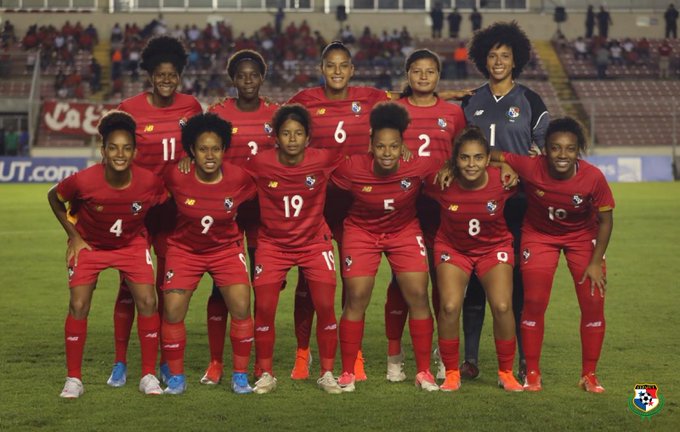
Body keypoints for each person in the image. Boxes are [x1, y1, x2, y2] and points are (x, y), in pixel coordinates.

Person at [288, 41, 469, 381]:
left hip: (389, 198)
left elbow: (413, 91)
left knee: (406, 282)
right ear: (322, 69)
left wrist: (450, 93)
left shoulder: (372, 97)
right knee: (315, 282)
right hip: (328, 199)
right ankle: (305, 353)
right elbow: (282, 125)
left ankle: (366, 358)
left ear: (353, 70)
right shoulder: (303, 99)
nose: (337, 72)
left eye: (344, 66)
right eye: (331, 65)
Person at [47, 111, 166, 398]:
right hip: (91, 245)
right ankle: (74, 379)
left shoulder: (149, 182)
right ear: (103, 151)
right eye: (113, 147)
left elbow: (166, 203)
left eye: (126, 148)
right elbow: (53, 196)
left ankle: (148, 375)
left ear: (135, 151)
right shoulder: (84, 180)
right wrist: (73, 237)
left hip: (131, 245)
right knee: (78, 305)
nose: (120, 154)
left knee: (149, 301)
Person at [492, 117, 615, 393]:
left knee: (593, 304)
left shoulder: (593, 177)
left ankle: (589, 375)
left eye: (570, 149)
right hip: (539, 236)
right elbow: (492, 153)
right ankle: (533, 373)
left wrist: (596, 262)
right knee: (534, 301)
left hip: (582, 238)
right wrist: (506, 162)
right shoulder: (531, 165)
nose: (562, 155)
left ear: (578, 150)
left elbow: (606, 221)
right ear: (545, 148)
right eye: (556, 148)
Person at [109, 35, 202, 388]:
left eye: (172, 74)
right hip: (138, 210)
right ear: (150, 75)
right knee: (127, 288)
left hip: (174, 211)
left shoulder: (191, 106)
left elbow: (201, 148)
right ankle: (120, 362)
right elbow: (118, 155)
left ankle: (165, 359)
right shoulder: (129, 108)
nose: (166, 79)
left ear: (179, 75)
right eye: (160, 74)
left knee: (166, 287)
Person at [459, 21, 549, 382]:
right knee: (475, 285)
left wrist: (514, 162)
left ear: (516, 61)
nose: (498, 61)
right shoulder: (470, 100)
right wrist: (503, 159)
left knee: (516, 288)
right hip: (474, 204)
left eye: (505, 56)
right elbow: (459, 149)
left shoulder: (531, 100)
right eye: (492, 56)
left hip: (518, 206)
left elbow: (540, 153)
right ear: (483, 60)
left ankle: (525, 361)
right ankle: (469, 359)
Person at [334, 102, 439, 392]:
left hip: (404, 231)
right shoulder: (352, 166)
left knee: (418, 294)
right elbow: (319, 175)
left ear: (403, 145)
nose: (388, 153)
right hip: (361, 232)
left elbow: (452, 167)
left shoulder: (417, 164)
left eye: (394, 146)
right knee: (356, 296)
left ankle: (424, 372)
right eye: (381, 147)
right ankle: (347, 372)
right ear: (371, 145)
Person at [244, 104, 343, 395]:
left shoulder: (323, 159)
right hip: (273, 245)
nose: (292, 139)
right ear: (276, 136)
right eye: (286, 133)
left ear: (308, 137)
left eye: (298, 133)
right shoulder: (259, 163)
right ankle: (265, 373)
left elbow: (358, 159)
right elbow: (230, 175)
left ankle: (326, 372)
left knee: (325, 306)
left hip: (314, 242)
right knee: (263, 308)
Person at [382, 49, 466, 382]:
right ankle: (394, 355)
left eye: (430, 71)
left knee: (442, 280)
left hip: (444, 208)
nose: (423, 76)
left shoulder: (453, 113)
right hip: (405, 206)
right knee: (401, 283)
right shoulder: (396, 111)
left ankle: (442, 354)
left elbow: (463, 154)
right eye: (416, 71)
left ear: (438, 76)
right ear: (407, 74)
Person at [160, 113, 256, 395]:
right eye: (203, 149)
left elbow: (261, 200)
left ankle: (240, 377)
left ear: (225, 150)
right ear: (191, 150)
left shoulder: (240, 178)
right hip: (185, 249)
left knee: (241, 306)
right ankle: (176, 378)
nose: (210, 155)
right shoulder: (177, 174)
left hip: (226, 249)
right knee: (173, 310)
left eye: (216, 148)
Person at [198, 49, 278, 386]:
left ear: (262, 78)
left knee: (261, 289)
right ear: (233, 80)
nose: (247, 80)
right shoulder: (218, 113)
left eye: (253, 75)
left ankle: (261, 364)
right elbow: (199, 145)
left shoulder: (276, 114)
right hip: (225, 210)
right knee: (221, 288)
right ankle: (216, 363)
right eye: (241, 75)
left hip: (263, 210)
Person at [424, 125, 523, 392]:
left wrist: (507, 164)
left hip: (494, 247)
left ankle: (506, 372)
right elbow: (410, 179)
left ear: (487, 158)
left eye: (478, 157)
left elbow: (535, 167)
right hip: (453, 249)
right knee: (448, 306)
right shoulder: (441, 182)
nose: (471, 164)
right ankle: (452, 372)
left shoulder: (502, 180)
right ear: (455, 159)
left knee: (502, 306)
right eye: (464, 157)